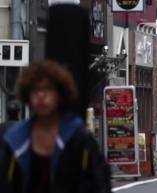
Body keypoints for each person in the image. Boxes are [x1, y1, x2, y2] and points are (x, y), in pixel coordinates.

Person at [0, 60, 111, 193]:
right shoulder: (16, 140)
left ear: (60, 95)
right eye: (35, 90)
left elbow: (99, 183)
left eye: (47, 89)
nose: (41, 96)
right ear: (27, 95)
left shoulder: (78, 138)